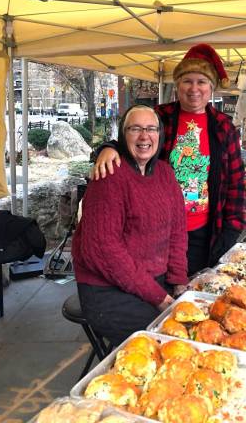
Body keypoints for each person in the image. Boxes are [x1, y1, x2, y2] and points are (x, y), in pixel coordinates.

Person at [93, 44, 246, 275]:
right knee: (152, 293)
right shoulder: (160, 116)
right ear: (177, 85)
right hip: (155, 230)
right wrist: (108, 147)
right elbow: (132, 140)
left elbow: (236, 183)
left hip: (204, 232)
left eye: (201, 81)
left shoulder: (224, 128)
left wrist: (231, 232)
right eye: (187, 81)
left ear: (211, 87)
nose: (194, 88)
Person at [72, 105, 188, 346]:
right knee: (169, 343)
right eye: (135, 129)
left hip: (153, 282)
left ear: (160, 135)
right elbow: (102, 251)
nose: (144, 136)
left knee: (192, 328)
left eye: (151, 129)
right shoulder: (110, 175)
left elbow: (177, 231)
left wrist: (178, 282)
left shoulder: (166, 173)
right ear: (123, 136)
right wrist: (158, 297)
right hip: (108, 291)